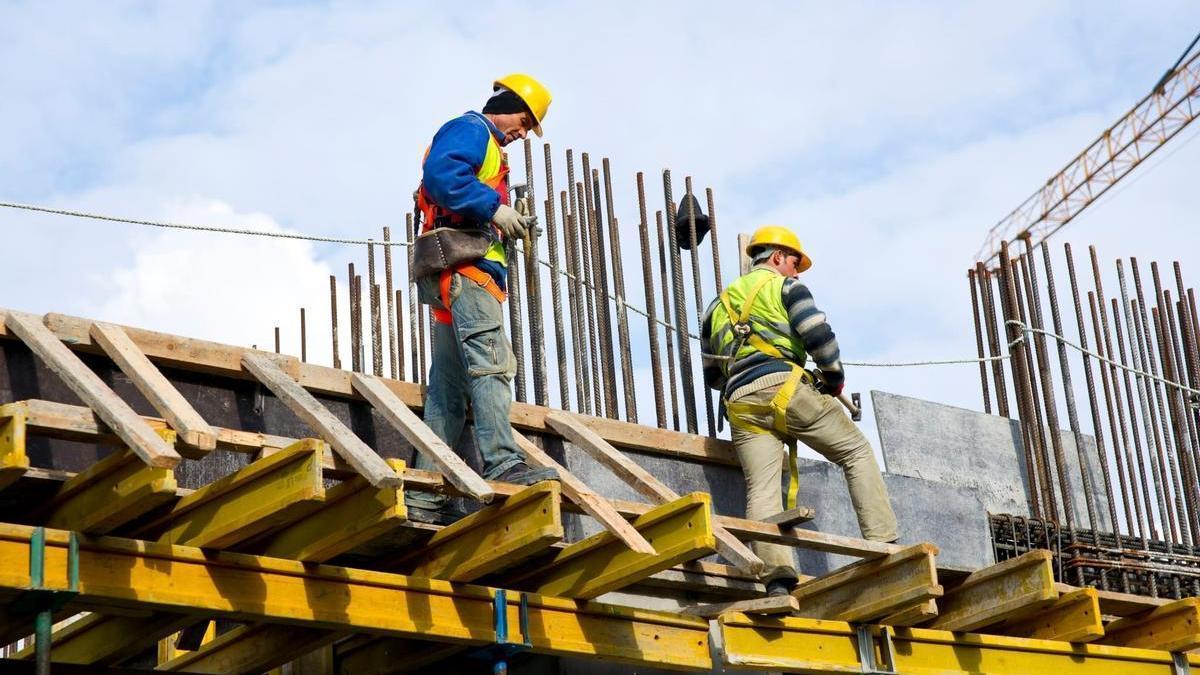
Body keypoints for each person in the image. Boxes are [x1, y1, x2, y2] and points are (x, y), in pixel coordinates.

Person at [701, 225, 898, 595]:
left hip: (740, 403)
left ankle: (777, 579)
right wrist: (833, 379)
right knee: (856, 451)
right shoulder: (786, 287)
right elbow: (818, 336)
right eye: (794, 262)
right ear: (777, 257)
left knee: (761, 489)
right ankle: (884, 544)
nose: (796, 271)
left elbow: (712, 374)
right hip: (786, 388)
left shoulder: (716, 306)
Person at [406, 74, 557, 524]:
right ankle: (503, 461)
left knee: (449, 392)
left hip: (454, 275)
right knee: (492, 365)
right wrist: (494, 210)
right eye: (525, 121)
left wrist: (506, 221)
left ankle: (426, 494)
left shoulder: (489, 148)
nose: (523, 133)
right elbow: (442, 175)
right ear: (506, 104)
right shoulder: (473, 130)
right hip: (468, 274)